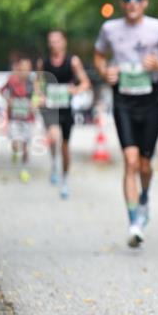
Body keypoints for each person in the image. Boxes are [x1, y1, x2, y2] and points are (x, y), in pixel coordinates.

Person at [93, 0, 158, 248]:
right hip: (123, 99)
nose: (132, 2)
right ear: (122, 4)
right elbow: (98, 56)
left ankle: (144, 196)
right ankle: (134, 223)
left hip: (151, 98)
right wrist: (105, 72)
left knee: (144, 164)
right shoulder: (110, 29)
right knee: (130, 161)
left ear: (145, 2)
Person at [38, 30, 91, 199]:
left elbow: (86, 83)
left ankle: (65, 178)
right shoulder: (44, 62)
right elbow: (38, 82)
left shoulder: (73, 61)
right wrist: (40, 95)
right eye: (51, 41)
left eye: (57, 41)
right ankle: (54, 163)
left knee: (65, 146)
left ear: (64, 42)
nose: (54, 44)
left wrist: (75, 90)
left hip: (66, 108)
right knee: (54, 138)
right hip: (50, 108)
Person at [2, 57, 36, 182]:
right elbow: (2, 91)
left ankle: (24, 170)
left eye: (28, 68)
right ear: (19, 68)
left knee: (25, 146)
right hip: (14, 118)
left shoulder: (32, 82)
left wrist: (34, 104)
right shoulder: (12, 80)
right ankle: (15, 152)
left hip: (28, 118)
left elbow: (38, 96)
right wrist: (8, 100)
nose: (25, 70)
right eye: (23, 67)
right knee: (16, 144)